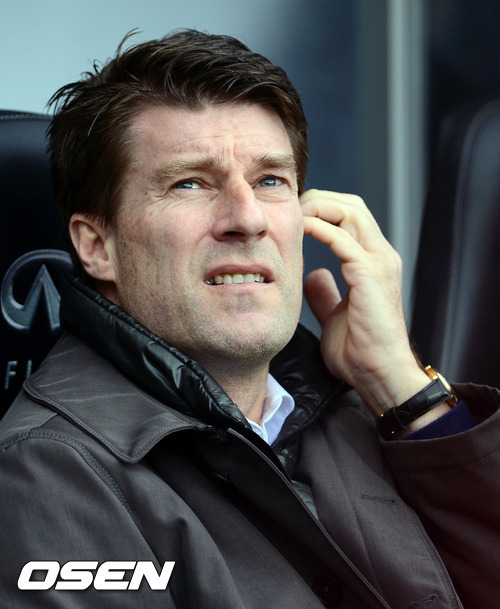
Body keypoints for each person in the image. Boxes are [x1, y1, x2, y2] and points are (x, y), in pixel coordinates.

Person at [0, 29, 498, 609]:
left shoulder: (360, 409)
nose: (248, 217)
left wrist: (398, 385)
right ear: (97, 246)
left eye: (270, 181)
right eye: (190, 183)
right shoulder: (49, 472)